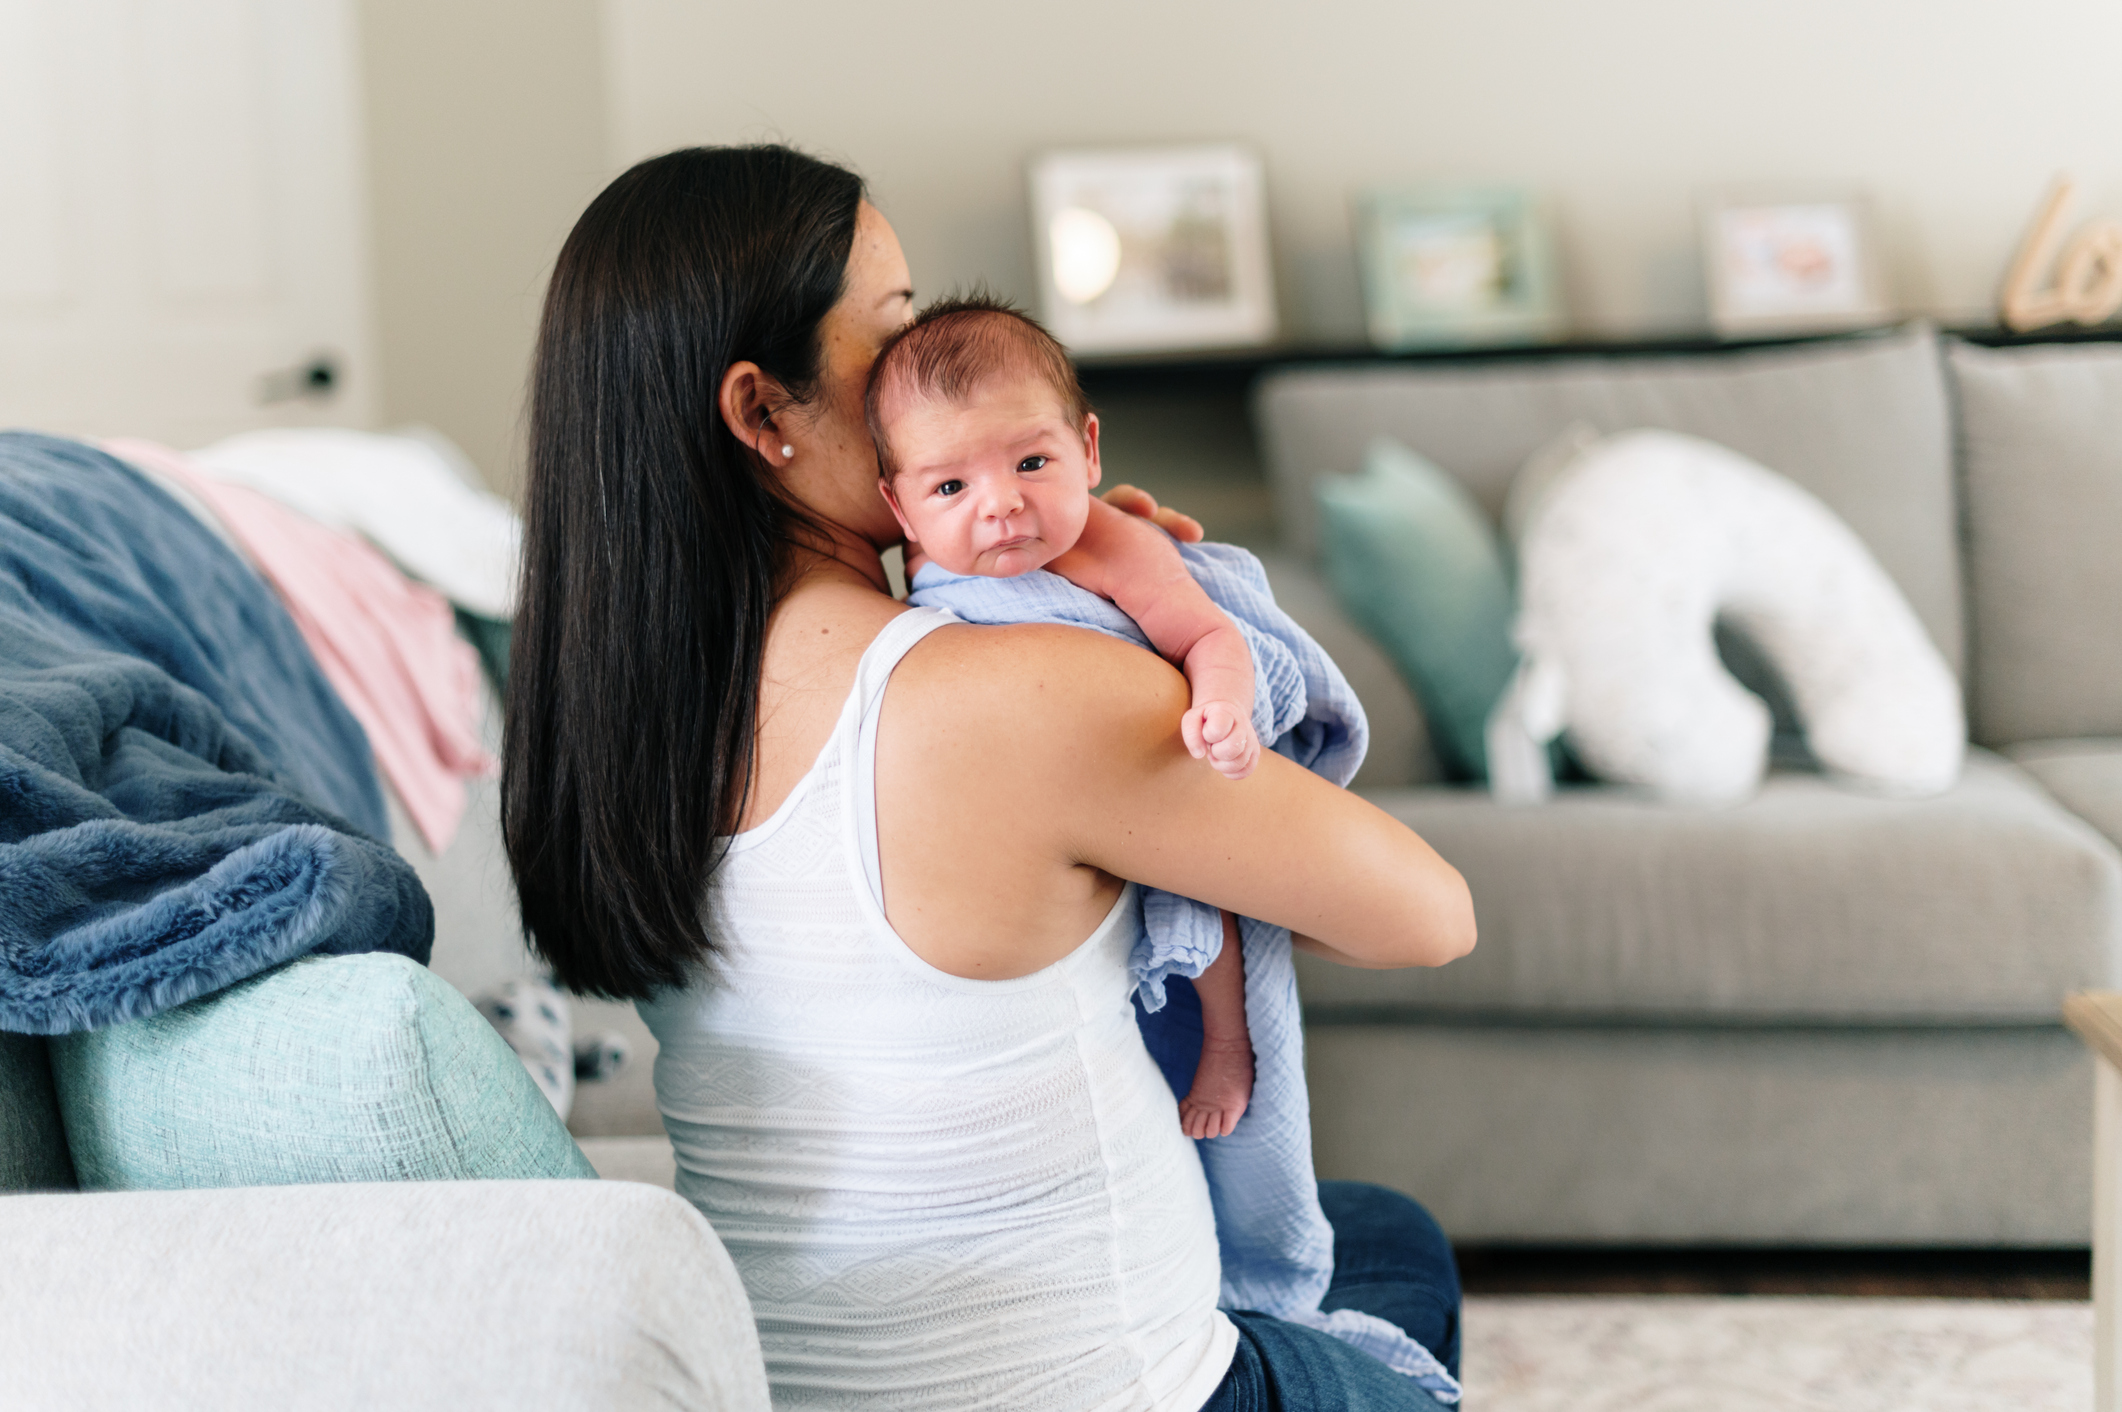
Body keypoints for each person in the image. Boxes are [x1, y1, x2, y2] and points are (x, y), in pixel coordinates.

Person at [503, 144, 1477, 1412]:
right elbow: (1426, 915)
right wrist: (1128, 624)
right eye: (897, 329)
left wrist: (1025, 545)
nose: (934, 363)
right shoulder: (1004, 693)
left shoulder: (616, 714)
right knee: (1397, 1249)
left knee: (1373, 1233)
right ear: (762, 414)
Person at [869, 294, 1259, 1139]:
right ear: (901, 511)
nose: (999, 504)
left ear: (1086, 449)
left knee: (1208, 896)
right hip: (1032, 824)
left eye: (1032, 463)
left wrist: (1223, 707)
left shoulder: (1109, 545)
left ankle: (1228, 1041)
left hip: (1148, 778)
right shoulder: (911, 573)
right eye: (950, 485)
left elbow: (1208, 633)